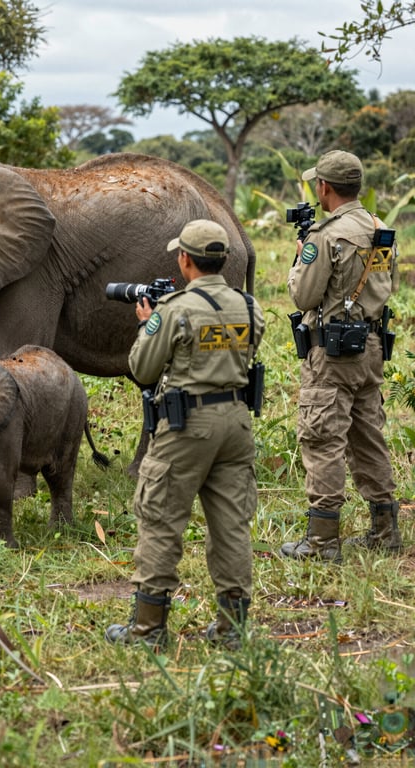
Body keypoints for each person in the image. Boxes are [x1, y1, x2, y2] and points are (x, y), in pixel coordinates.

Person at [105, 219, 265, 649]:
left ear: (185, 260)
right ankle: (233, 631)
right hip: (236, 422)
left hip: (186, 425)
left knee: (160, 521)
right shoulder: (250, 307)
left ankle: (148, 629)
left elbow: (142, 369)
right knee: (232, 526)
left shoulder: (173, 310)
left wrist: (147, 324)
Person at [281, 150, 401, 564]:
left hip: (333, 352)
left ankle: (321, 540)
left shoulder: (325, 235)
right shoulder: (380, 228)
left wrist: (300, 257)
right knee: (368, 435)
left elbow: (304, 295)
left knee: (322, 439)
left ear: (324, 187)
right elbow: (390, 286)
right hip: (371, 346)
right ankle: (385, 529)